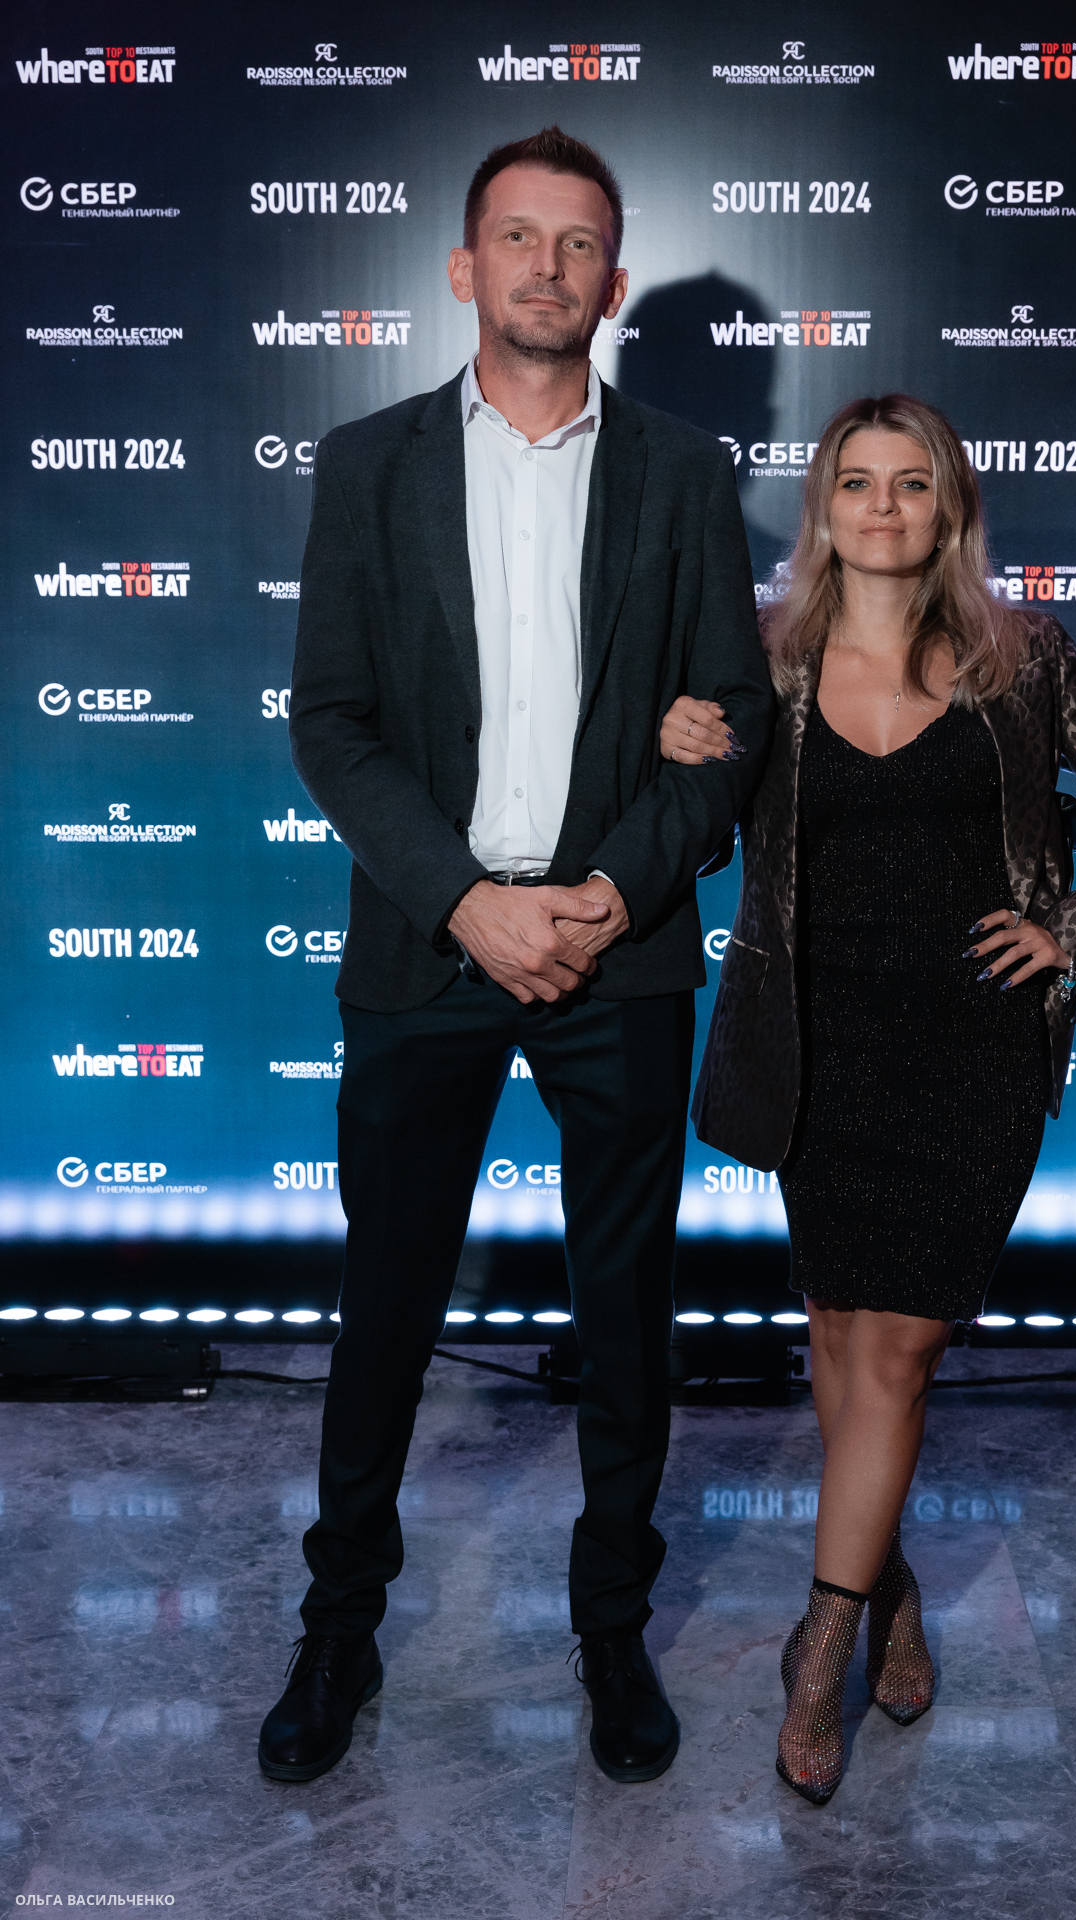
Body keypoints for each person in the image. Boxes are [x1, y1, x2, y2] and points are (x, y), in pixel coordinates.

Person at [260, 127, 774, 1787]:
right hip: (431, 944)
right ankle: (339, 1626)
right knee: (386, 1306)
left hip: (619, 949)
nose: (547, 267)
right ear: (464, 265)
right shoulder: (368, 463)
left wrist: (612, 893)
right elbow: (330, 725)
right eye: (518, 236)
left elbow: (728, 721)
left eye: (577, 244)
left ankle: (612, 1629)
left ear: (612, 284)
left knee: (623, 1313)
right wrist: (464, 901)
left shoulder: (684, 472)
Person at [667, 394, 1076, 1805]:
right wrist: (678, 748)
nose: (884, 507)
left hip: (970, 1053)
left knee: (898, 1353)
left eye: (913, 483)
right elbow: (702, 834)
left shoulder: (1023, 658)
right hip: (816, 1046)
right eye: (857, 482)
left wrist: (1068, 933)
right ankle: (889, 1589)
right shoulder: (762, 662)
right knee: (841, 1337)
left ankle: (820, 1646)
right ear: (823, 508)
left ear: (949, 506)